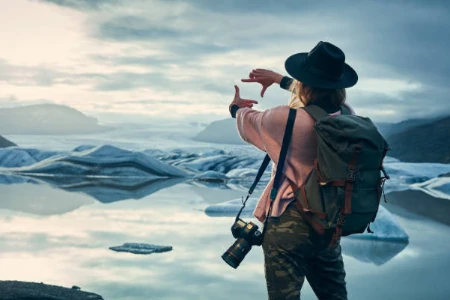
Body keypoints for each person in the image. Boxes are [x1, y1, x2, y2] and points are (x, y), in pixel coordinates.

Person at [228, 41, 358, 300]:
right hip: (328, 226)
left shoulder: (283, 119)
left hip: (289, 223)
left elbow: (246, 122)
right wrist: (279, 80)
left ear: (305, 83)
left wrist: (236, 107)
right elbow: (317, 103)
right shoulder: (348, 117)